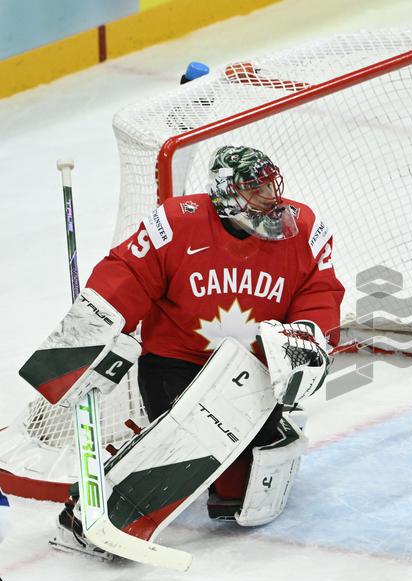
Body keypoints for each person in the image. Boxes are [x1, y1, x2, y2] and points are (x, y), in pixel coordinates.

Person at [21, 146, 344, 557]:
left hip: (250, 369)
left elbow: (320, 290)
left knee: (242, 490)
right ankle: (91, 514)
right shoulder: (177, 222)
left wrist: (308, 334)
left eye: (269, 184)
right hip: (177, 360)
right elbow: (129, 271)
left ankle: (226, 467)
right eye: (254, 187)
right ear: (225, 193)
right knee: (188, 439)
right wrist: (94, 329)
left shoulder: (304, 230)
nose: (268, 196)